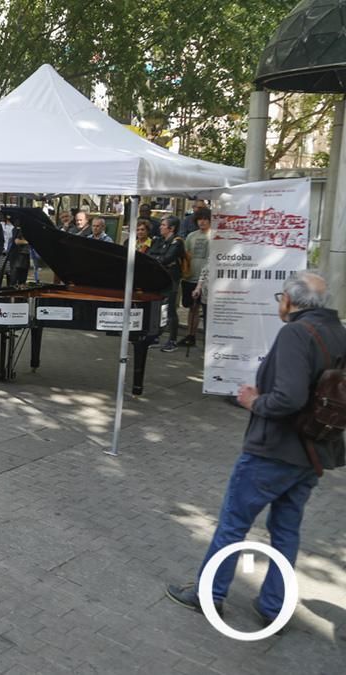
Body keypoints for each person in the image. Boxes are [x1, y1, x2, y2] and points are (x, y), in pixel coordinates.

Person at [166, 271, 345, 625]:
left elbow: (288, 398)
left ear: (290, 301)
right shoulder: (338, 332)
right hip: (313, 452)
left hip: (275, 450)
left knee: (233, 523)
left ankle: (210, 594)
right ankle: (274, 606)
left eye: (281, 296)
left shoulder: (296, 332)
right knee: (286, 530)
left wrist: (254, 402)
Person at [148, 216, 184, 352]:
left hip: (172, 280)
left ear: (171, 228)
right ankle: (156, 335)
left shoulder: (177, 242)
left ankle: (172, 340)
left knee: (170, 310)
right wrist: (159, 258)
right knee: (158, 308)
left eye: (163, 225)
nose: (160, 227)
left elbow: (167, 258)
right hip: (160, 278)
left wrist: (158, 258)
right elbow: (151, 255)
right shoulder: (159, 240)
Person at [181, 207, 212, 347]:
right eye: (200, 219)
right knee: (192, 308)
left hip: (207, 279)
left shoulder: (215, 236)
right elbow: (186, 256)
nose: (202, 222)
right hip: (191, 276)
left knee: (204, 309)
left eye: (205, 219)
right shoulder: (191, 236)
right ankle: (190, 335)